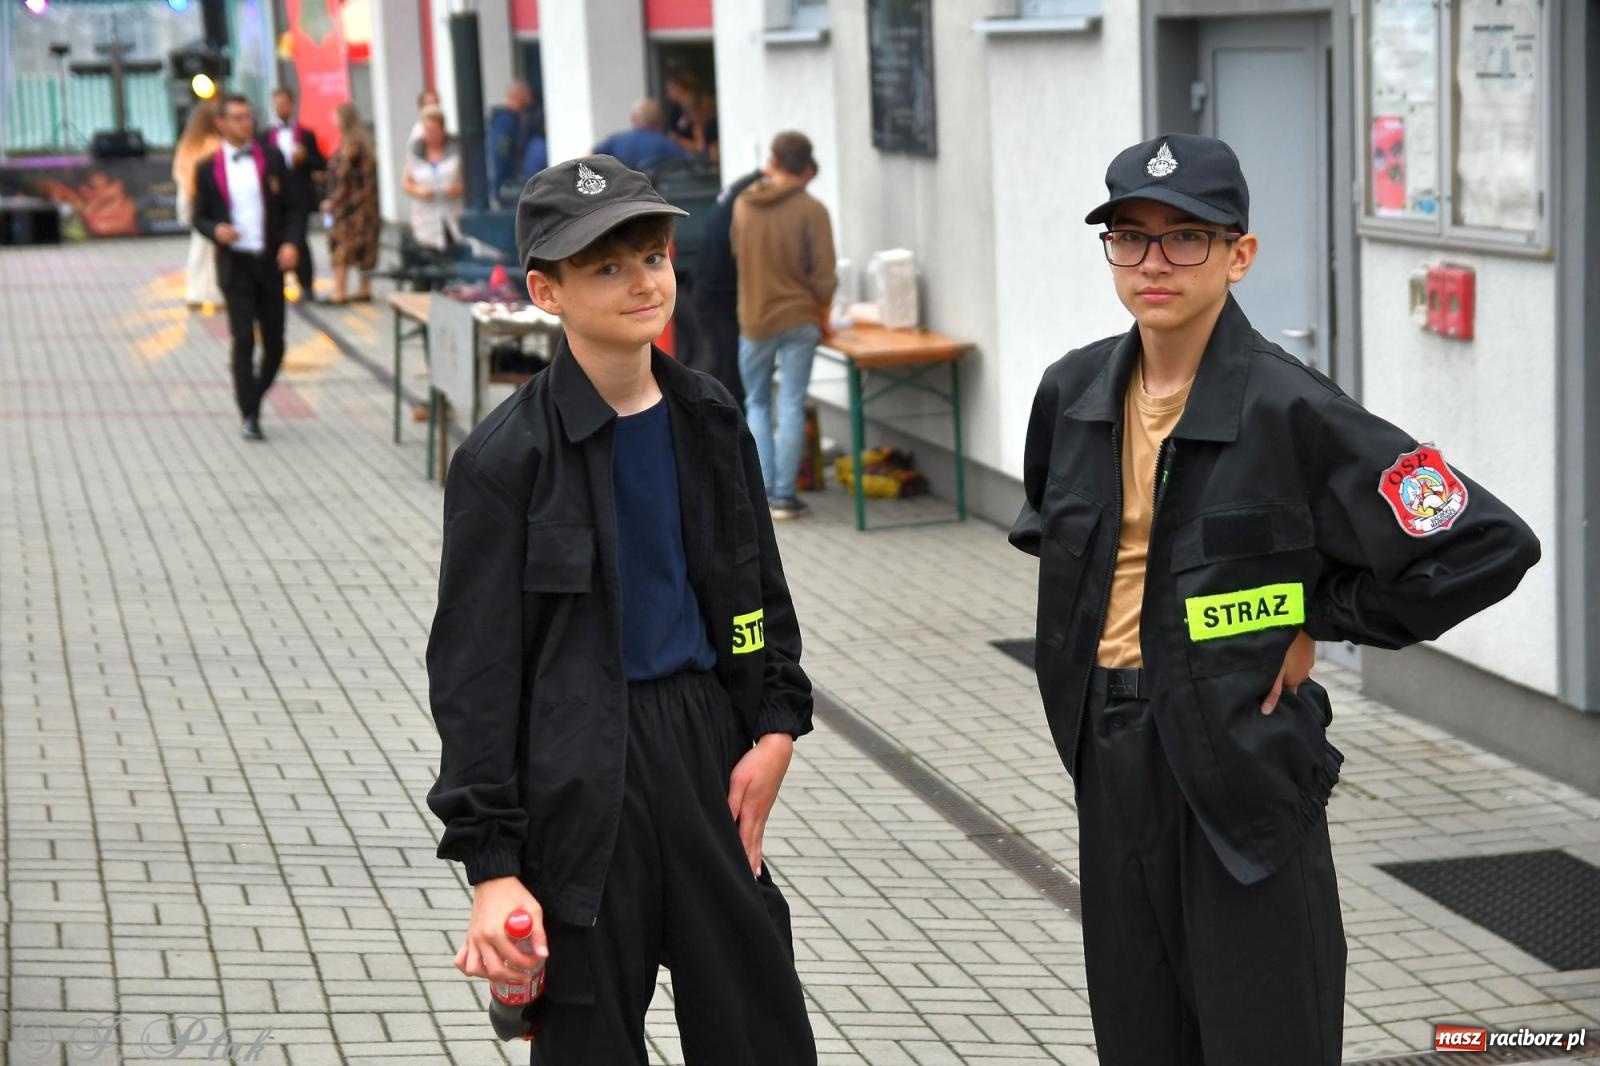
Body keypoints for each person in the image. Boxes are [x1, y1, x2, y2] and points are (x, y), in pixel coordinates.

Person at [1009, 133, 1541, 1066]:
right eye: (1129, 237)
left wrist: (1311, 616)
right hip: (1110, 756)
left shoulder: (1295, 411)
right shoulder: (1073, 392)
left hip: (1240, 771)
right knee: (1138, 1036)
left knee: (1265, 1036)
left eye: (1186, 238)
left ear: (1239, 255)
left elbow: (1486, 545)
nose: (1153, 262)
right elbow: (1058, 537)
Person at [426, 154, 817, 1065]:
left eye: (652, 255)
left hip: (702, 750)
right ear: (545, 290)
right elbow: (475, 676)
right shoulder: (505, 462)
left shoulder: (709, 418)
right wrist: (494, 868)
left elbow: (760, 592)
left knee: (760, 1025)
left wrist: (774, 729)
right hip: (576, 778)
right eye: (606, 266)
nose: (642, 281)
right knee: (590, 1038)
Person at [730, 131, 836, 520]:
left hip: (755, 318)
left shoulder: (744, 205)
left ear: (774, 160)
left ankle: (764, 490)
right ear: (806, 166)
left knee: (757, 402)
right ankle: (785, 496)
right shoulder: (813, 210)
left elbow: (735, 253)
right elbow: (824, 274)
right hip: (800, 317)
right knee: (791, 402)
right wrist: (823, 313)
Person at [192, 93, 307, 441]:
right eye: (238, 117)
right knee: (243, 340)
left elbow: (295, 208)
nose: (247, 123)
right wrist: (216, 231)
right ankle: (250, 414)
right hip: (235, 265)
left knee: (275, 345)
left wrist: (291, 242)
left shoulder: (271, 159)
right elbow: (198, 217)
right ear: (220, 123)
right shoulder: (207, 168)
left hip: (270, 262)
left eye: (249, 116)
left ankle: (253, 397)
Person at [690, 166, 763, 404]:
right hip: (718, 295)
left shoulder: (741, 186)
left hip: (708, 286)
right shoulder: (754, 195)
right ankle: (724, 432)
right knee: (728, 372)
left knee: (724, 367)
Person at [264, 86, 325, 296]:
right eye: (277, 103)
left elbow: (320, 163)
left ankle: (306, 284)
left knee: (300, 239)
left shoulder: (305, 134)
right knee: (275, 239)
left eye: (284, 103)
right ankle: (276, 284)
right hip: (274, 197)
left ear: (292, 104)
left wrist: (305, 158)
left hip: (299, 194)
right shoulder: (266, 135)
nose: (281, 107)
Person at [320, 102, 380, 304]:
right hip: (366, 205)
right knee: (365, 248)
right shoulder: (363, 141)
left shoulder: (351, 145)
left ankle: (340, 291)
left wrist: (333, 201)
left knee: (341, 246)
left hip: (351, 207)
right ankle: (364, 288)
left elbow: (344, 178)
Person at [171, 100, 224, 310]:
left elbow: (180, 172)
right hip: (210, 200)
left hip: (194, 198)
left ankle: (196, 292)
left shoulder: (188, 143)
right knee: (212, 248)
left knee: (200, 247)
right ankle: (213, 292)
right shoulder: (214, 143)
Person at [403, 106, 464, 252]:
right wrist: (419, 191)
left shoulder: (456, 151)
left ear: (442, 129)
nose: (430, 134)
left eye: (434, 130)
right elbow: (406, 182)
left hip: (452, 216)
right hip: (425, 220)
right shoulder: (415, 152)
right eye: (427, 130)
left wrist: (455, 189)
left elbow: (468, 181)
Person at [489, 79, 545, 206]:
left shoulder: (514, 120)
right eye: (528, 95)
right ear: (520, 95)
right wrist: (505, 183)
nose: (531, 99)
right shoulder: (506, 123)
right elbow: (501, 154)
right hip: (508, 185)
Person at [591, 99, 686, 174]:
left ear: (633, 117)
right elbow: (686, 167)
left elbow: (589, 157)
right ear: (660, 120)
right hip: (656, 196)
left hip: (622, 194)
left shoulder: (616, 140)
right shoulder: (667, 144)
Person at [664, 71, 719, 165]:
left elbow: (700, 147)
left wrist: (678, 141)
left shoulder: (710, 126)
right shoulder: (676, 110)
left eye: (670, 89)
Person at [406, 88, 440, 156]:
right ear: (421, 107)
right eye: (429, 104)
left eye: (435, 103)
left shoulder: (443, 128)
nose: (433, 108)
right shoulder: (418, 132)